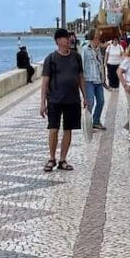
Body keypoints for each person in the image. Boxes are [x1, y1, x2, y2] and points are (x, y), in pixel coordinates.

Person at [40, 28, 87, 172]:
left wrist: (85, 96)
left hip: (72, 100)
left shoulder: (76, 57)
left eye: (69, 37)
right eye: (66, 38)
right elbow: (45, 82)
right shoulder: (51, 59)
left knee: (68, 129)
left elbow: (80, 77)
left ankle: (63, 159)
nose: (69, 40)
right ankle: (51, 158)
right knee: (53, 129)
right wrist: (42, 103)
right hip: (54, 100)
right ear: (58, 41)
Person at [82, 30, 106, 130]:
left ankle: (96, 121)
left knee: (101, 101)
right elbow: (81, 64)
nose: (98, 40)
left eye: (98, 38)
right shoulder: (85, 49)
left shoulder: (98, 50)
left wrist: (104, 79)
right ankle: (87, 124)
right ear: (92, 38)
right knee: (90, 102)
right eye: (96, 38)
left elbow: (100, 65)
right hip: (89, 80)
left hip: (98, 80)